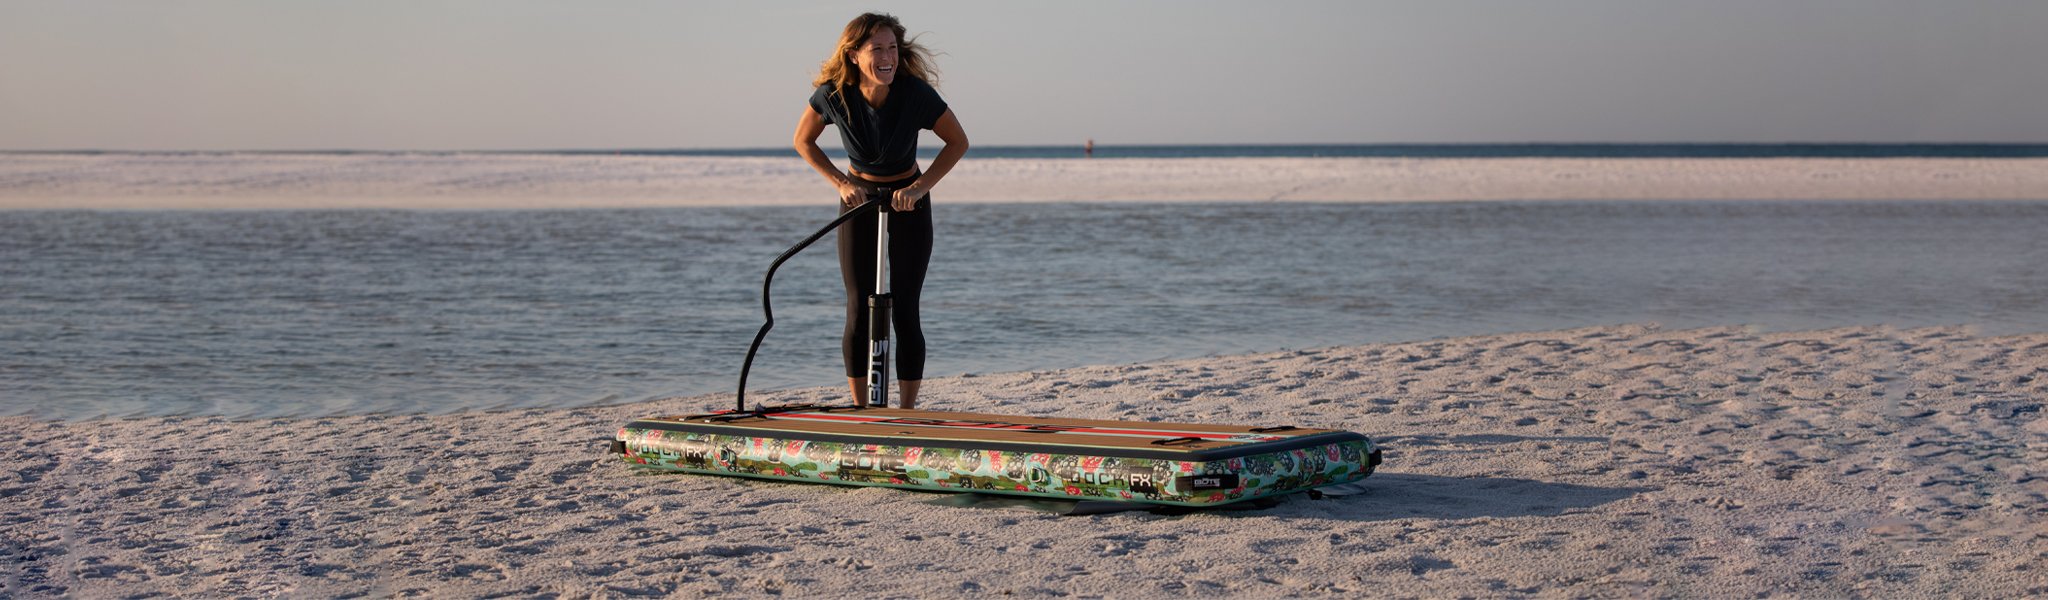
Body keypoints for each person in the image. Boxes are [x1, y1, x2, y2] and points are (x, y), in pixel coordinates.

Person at [793, 12, 968, 410]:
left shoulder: (915, 93)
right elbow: (803, 140)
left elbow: (958, 141)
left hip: (910, 200)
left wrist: (920, 186)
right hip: (858, 199)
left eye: (892, 48)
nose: (887, 57)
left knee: (905, 307)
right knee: (858, 307)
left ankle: (907, 412)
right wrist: (841, 182)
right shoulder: (833, 94)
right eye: (877, 49)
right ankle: (861, 411)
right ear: (854, 54)